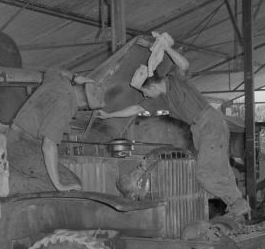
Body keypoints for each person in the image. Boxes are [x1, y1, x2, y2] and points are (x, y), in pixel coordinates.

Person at [96, 32, 251, 222]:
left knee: (203, 173)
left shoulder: (176, 81)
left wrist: (167, 47)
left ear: (152, 87)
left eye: (144, 92)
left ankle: (238, 204)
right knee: (220, 169)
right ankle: (237, 205)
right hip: (201, 129)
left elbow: (184, 65)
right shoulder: (163, 100)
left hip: (210, 123)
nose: (145, 97)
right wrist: (109, 115)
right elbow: (136, 108)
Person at [6, 68, 104, 194]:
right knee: (69, 187)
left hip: (15, 139)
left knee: (69, 180)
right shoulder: (65, 106)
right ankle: (9, 186)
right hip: (21, 148)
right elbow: (48, 147)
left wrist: (74, 77)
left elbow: (53, 70)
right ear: (84, 105)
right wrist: (59, 185)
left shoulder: (59, 82)